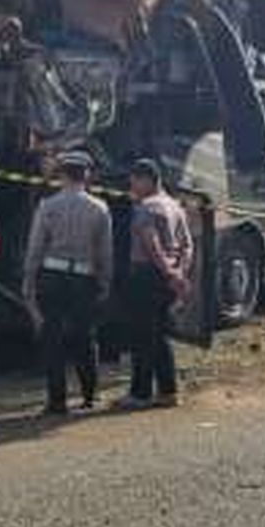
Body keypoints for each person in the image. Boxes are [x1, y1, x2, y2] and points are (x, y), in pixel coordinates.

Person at [22, 151, 113, 415]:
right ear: (87, 175)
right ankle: (90, 396)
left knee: (52, 338)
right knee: (84, 337)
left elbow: (36, 247)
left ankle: (56, 401)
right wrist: (105, 283)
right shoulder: (100, 208)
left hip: (53, 276)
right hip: (84, 278)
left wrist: (28, 281)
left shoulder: (47, 206)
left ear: (62, 175)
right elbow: (105, 252)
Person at [118, 159, 194, 410]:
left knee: (142, 336)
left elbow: (151, 244)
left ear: (148, 179)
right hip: (167, 279)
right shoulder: (175, 206)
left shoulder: (146, 208)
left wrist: (168, 271)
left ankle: (140, 393)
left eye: (135, 181)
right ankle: (168, 390)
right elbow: (187, 245)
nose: (132, 186)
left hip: (146, 275)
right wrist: (179, 273)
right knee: (160, 334)